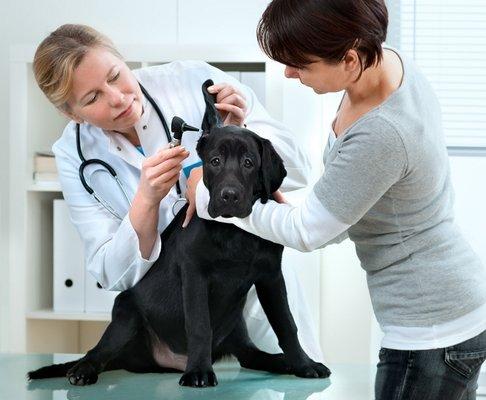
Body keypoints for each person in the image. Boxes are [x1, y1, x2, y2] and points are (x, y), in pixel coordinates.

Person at [187, 0, 486, 399]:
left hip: (431, 331)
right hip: (449, 310)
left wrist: (214, 200)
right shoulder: (384, 65)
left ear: (348, 59)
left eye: (300, 64)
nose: (289, 73)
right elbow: (336, 215)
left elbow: (311, 232)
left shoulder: (382, 133)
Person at [33, 24, 323, 362]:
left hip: (256, 296)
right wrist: (145, 203)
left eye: (115, 76)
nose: (118, 98)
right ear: (71, 113)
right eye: (92, 98)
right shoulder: (73, 154)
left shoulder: (192, 80)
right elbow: (111, 273)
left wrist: (239, 134)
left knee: (292, 384)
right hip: (173, 324)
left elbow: (299, 169)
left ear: (123, 60)